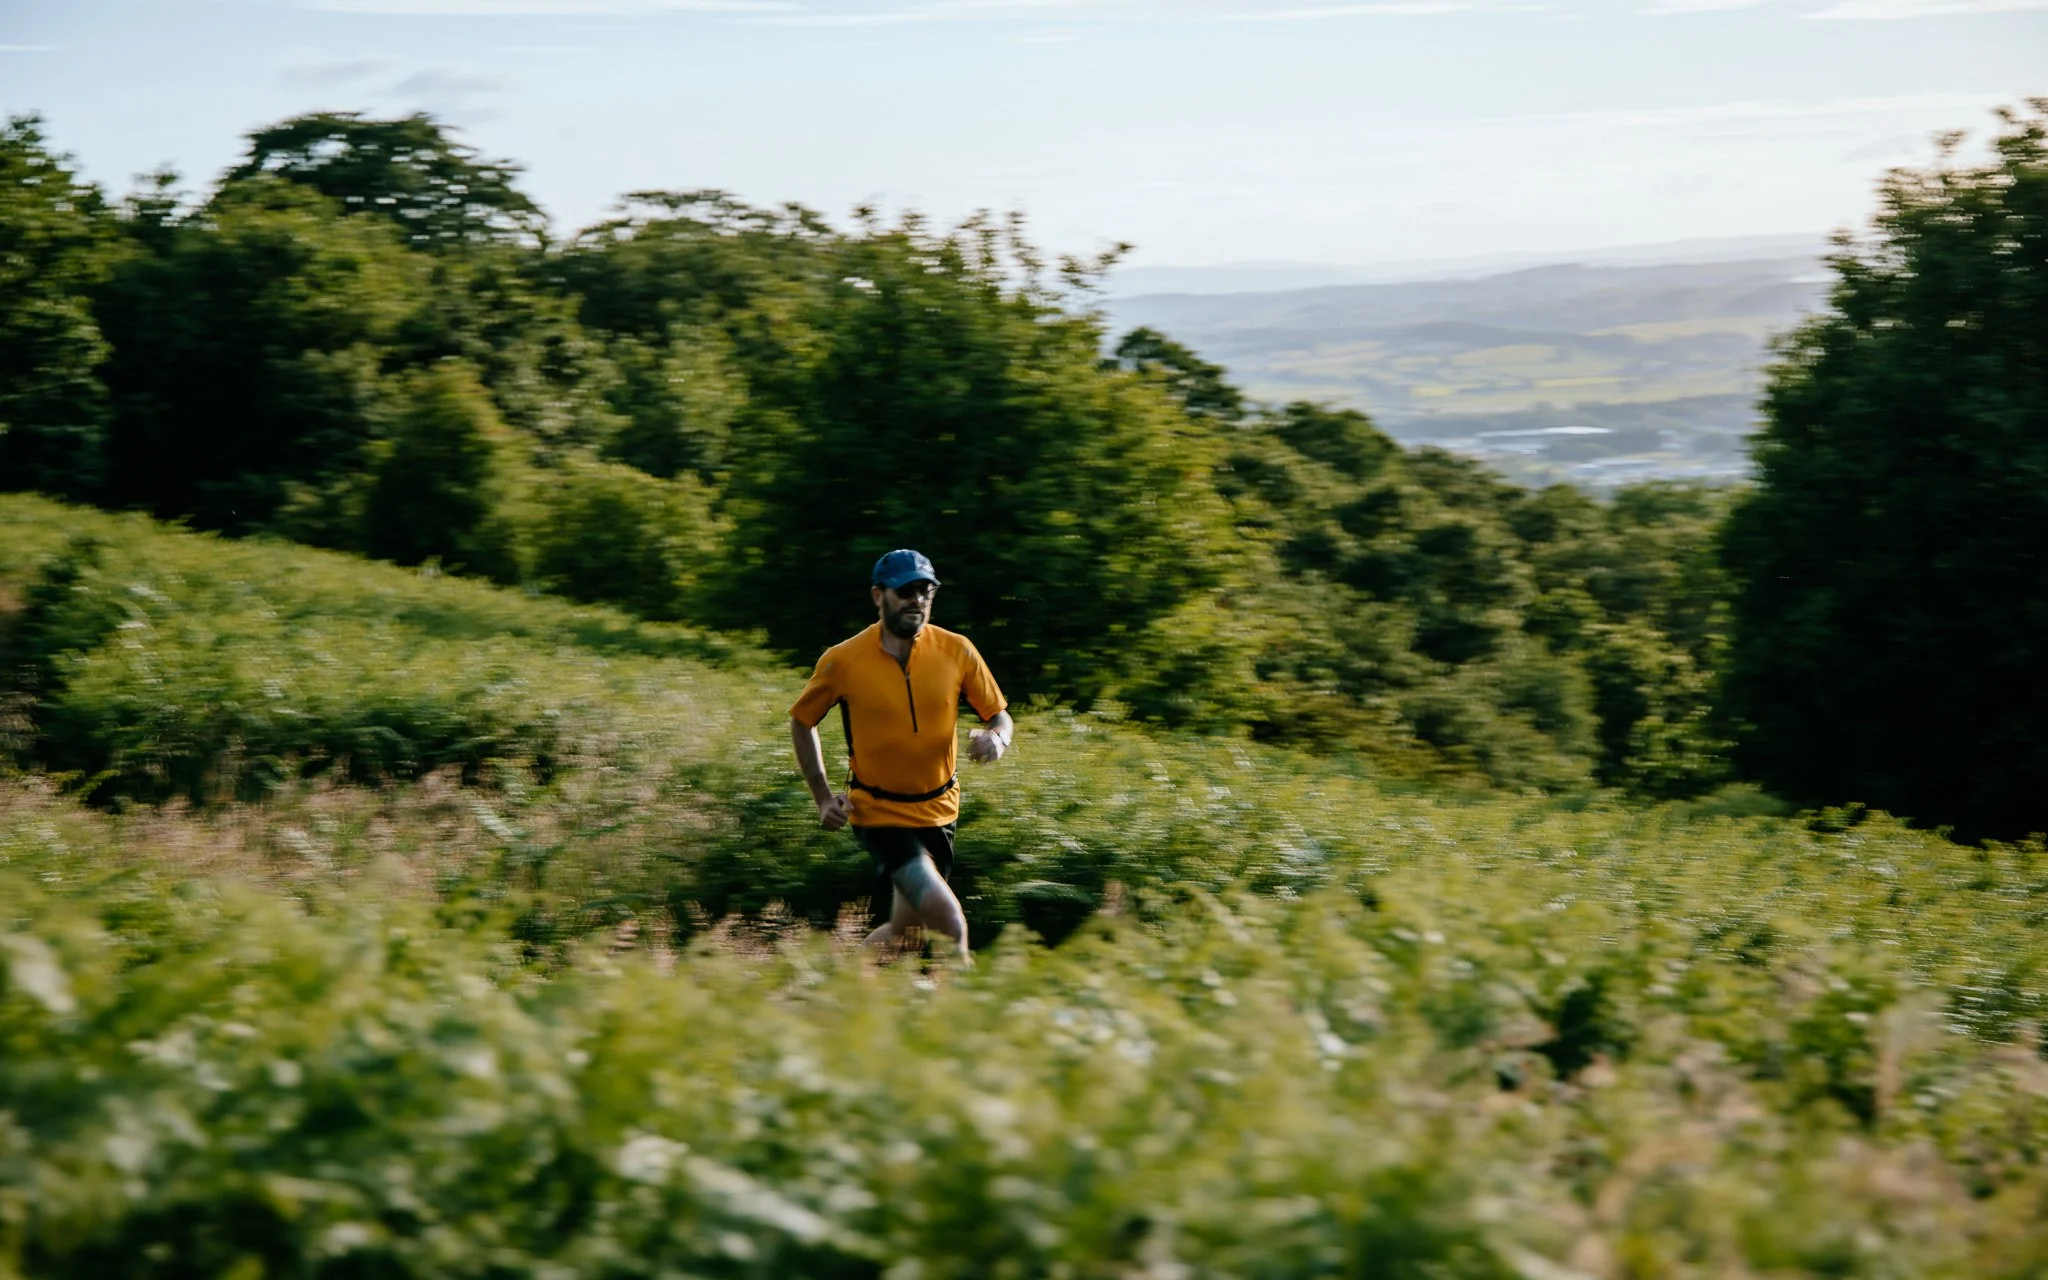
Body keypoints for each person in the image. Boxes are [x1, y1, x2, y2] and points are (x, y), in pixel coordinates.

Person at [789, 549, 1012, 962]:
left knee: (907, 933)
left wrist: (998, 739)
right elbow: (803, 721)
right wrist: (822, 797)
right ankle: (966, 1017)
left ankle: (832, 990)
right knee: (950, 923)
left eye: (926, 590)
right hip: (880, 814)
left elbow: (1000, 715)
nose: (917, 599)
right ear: (879, 596)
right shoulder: (843, 661)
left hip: (940, 810)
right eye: (905, 590)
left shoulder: (956, 650)